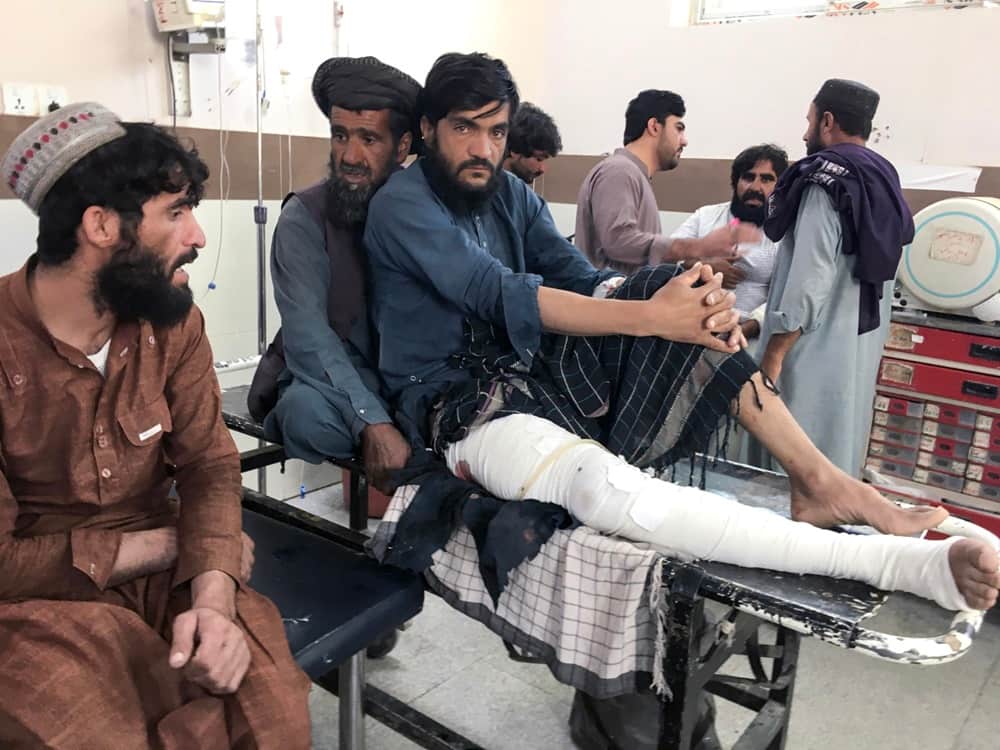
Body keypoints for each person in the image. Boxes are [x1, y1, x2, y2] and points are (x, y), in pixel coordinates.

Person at [364, 53, 998, 750]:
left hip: (535, 375)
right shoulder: (402, 205)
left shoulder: (509, 196)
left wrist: (673, 298)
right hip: (455, 407)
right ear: (427, 129)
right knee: (604, 489)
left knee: (689, 302)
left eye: (496, 131)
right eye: (465, 129)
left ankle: (819, 481)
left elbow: (579, 272)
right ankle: (901, 565)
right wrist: (647, 318)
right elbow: (496, 292)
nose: (484, 148)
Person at [0, 103, 310, 747]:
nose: (197, 236)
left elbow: (210, 465)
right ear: (101, 226)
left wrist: (214, 598)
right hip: (38, 601)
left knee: (271, 711)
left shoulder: (171, 324)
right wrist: (168, 546)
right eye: (177, 211)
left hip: (172, 571)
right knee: (87, 728)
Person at [249, 55, 421, 494]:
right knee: (308, 417)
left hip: (405, 378)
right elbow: (309, 337)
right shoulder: (302, 219)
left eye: (368, 139)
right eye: (340, 135)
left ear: (402, 147)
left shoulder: (425, 214)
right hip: (322, 376)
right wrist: (372, 419)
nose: (350, 155)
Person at [759, 79, 907, 477]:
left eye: (809, 122)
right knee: (838, 456)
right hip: (859, 347)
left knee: (793, 466)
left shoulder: (824, 180)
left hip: (810, 350)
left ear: (828, 121)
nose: (805, 133)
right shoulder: (884, 179)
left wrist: (773, 354)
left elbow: (811, 277)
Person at [574, 89, 761, 274]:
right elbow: (618, 242)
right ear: (654, 126)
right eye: (678, 128)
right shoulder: (619, 171)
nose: (685, 141)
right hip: (609, 303)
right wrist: (699, 247)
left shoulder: (632, 174)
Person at [670, 144, 788, 339]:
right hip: (690, 327)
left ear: (779, 186)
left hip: (749, 335)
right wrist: (703, 266)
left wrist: (744, 329)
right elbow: (665, 257)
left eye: (766, 179)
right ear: (736, 181)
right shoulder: (706, 216)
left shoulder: (785, 233)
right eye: (748, 177)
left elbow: (786, 296)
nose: (755, 187)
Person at [503, 102, 562, 185]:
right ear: (515, 150)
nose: (542, 169)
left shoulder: (519, 192)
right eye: (539, 159)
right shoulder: (487, 192)